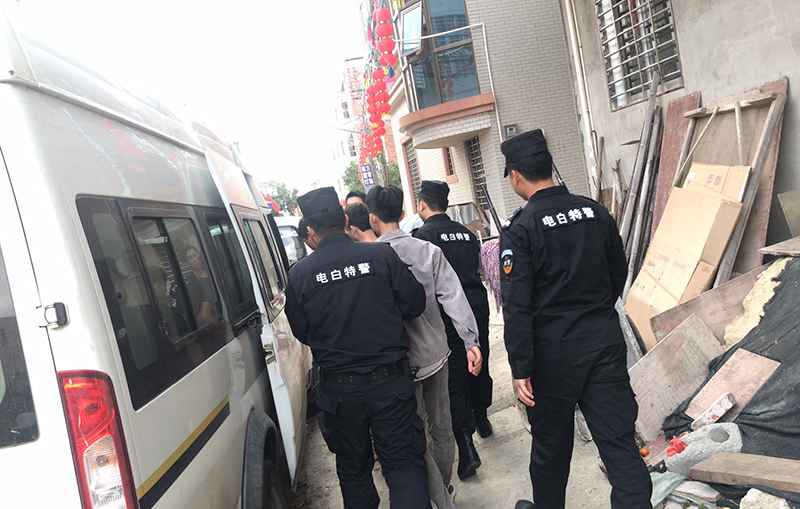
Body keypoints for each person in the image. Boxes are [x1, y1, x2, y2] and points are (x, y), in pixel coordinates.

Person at [499, 130, 652, 509]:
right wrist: (594, 314)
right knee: (620, 446)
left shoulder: (520, 230)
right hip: (603, 345)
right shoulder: (595, 212)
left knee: (550, 451)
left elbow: (517, 306)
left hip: (552, 358)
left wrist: (521, 367)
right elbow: (618, 274)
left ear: (515, 175)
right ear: (549, 166)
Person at [284, 187, 430, 508]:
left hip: (340, 392)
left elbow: (301, 330)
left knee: (354, 471)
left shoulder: (300, 275)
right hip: (390, 384)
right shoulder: (380, 256)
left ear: (310, 231)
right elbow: (414, 304)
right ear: (346, 221)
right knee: (404, 466)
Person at [367, 185, 483, 505]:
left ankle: (436, 498)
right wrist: (470, 340)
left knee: (416, 434)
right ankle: (443, 487)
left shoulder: (370, 259)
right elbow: (454, 297)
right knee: (442, 426)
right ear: (403, 213)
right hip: (436, 354)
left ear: (372, 218)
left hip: (400, 366)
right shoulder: (428, 251)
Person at [414, 180, 495, 443]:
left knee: (454, 373)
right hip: (476, 307)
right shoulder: (466, 233)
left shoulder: (422, 238)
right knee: (479, 360)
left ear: (422, 205)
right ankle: (482, 417)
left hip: (446, 313)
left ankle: (465, 438)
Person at [182, 245, 218, 326]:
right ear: (187, 263)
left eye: (195, 255)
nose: (194, 260)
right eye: (190, 258)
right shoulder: (189, 284)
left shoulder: (212, 273)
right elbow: (201, 316)